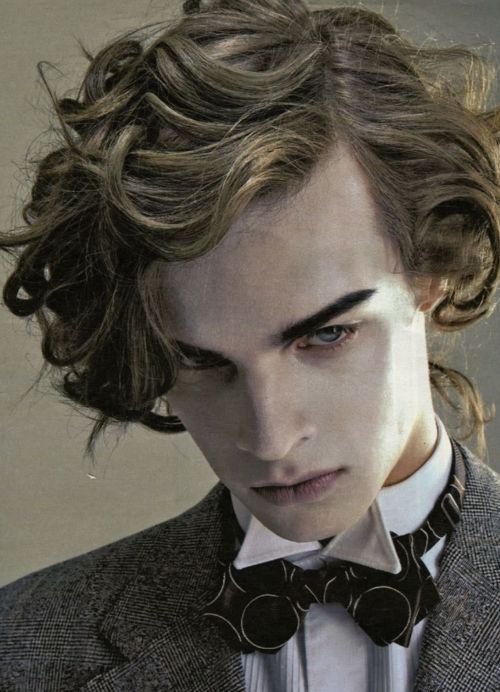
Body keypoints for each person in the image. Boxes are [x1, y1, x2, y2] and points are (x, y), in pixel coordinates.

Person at [0, 0, 499, 690]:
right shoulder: (20, 646)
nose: (270, 438)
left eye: (327, 334)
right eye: (200, 360)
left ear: (434, 269)